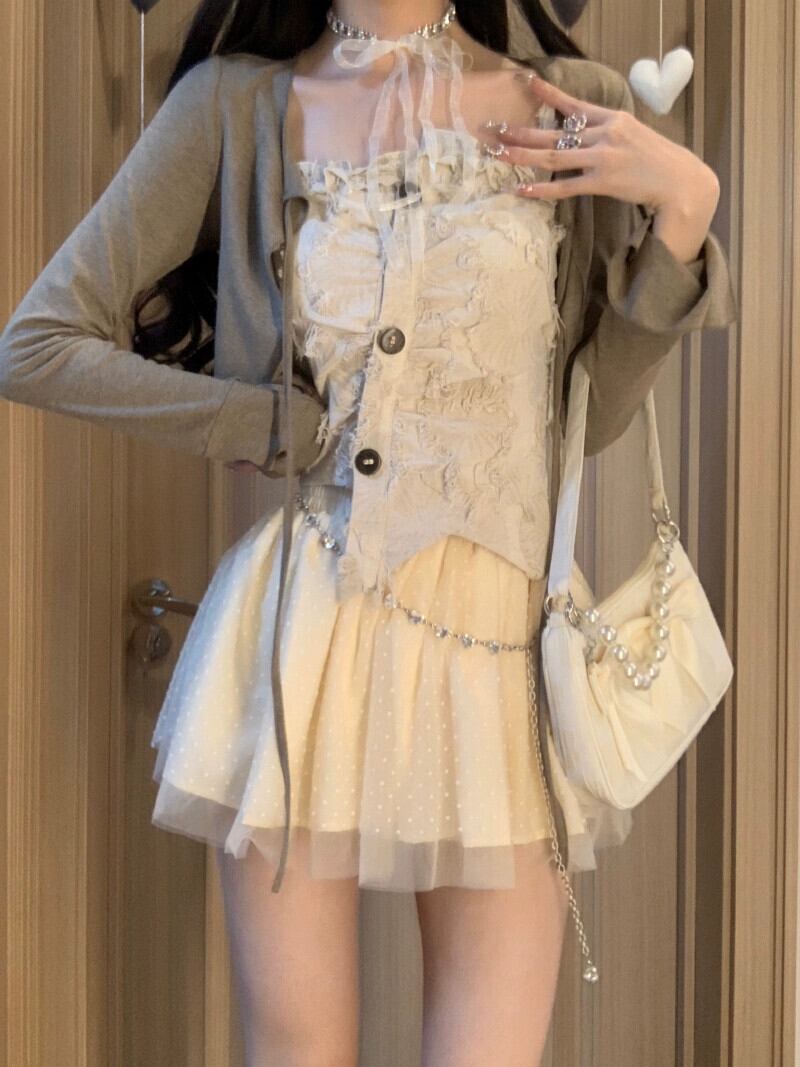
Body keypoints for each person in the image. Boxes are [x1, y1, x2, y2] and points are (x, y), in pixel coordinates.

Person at [0, 1, 737, 1063]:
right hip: (306, 637)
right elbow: (37, 342)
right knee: (297, 1048)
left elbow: (595, 414)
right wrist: (256, 421)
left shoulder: (572, 107)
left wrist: (684, 208)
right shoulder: (236, 108)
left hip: (501, 645)